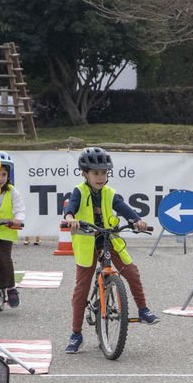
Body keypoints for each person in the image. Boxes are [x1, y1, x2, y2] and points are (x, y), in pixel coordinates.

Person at [62, 147, 158, 354]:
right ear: (85, 173)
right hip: (88, 242)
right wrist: (70, 218)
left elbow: (124, 208)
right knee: (82, 288)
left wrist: (137, 220)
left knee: (132, 272)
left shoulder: (110, 193)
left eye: (104, 173)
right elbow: (71, 206)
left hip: (109, 239)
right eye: (96, 173)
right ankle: (76, 334)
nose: (100, 177)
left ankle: (143, 309)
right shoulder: (80, 190)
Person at [0, 155, 24, 308]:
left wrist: (17, 219)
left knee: (5, 259)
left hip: (5, 230)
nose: (0, 178)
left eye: (3, 174)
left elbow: (19, 208)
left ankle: (11, 287)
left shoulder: (12, 191)